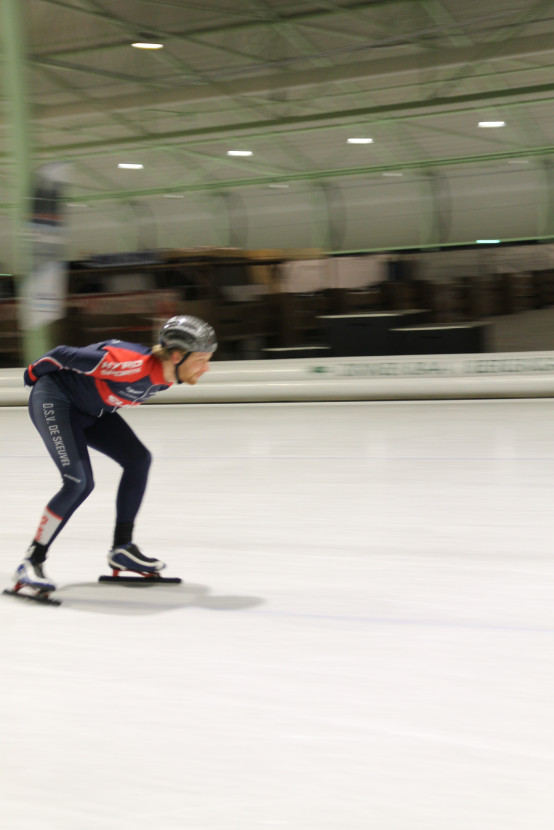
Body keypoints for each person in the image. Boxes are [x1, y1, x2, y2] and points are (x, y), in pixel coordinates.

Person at [11, 314, 217, 595]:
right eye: (202, 360)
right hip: (56, 401)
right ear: (178, 355)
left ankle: (122, 548)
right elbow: (60, 356)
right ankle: (31, 561)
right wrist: (31, 376)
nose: (206, 368)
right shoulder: (127, 362)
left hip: (92, 410)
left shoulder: (167, 377)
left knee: (138, 460)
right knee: (78, 482)